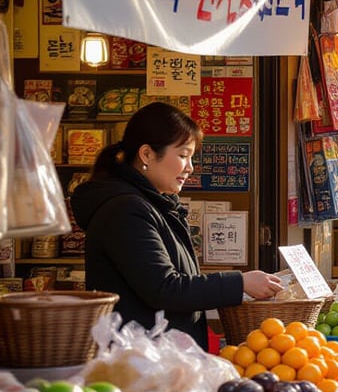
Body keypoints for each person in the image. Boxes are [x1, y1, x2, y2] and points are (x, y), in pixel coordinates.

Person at [71, 102, 283, 350]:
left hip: (161, 358)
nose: (190, 168)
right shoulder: (126, 211)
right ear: (147, 154)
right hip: (140, 363)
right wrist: (240, 283)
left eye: (191, 157)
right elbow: (165, 288)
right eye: (183, 155)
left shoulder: (156, 206)